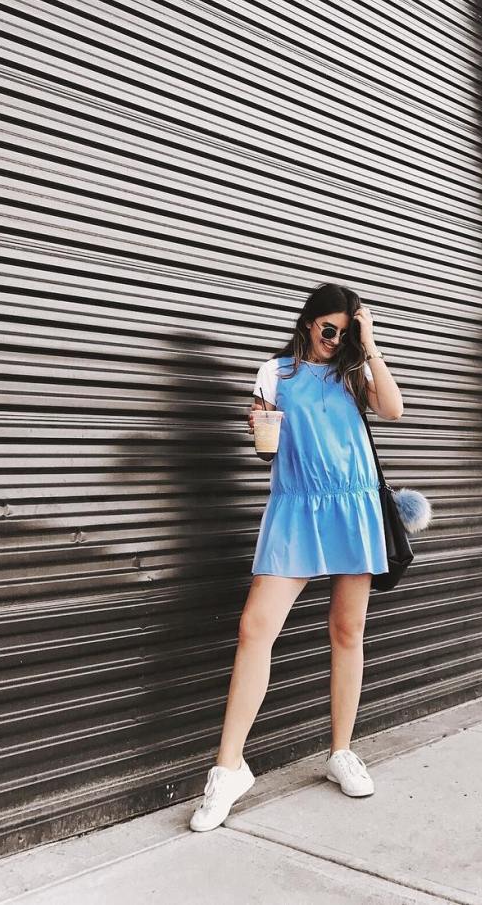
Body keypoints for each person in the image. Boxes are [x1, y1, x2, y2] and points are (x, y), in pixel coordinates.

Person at [190, 283, 404, 832]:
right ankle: (228, 767)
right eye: (328, 328)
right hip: (296, 507)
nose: (335, 339)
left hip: (353, 504)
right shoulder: (274, 373)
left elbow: (394, 410)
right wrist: (257, 424)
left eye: (345, 331)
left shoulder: (355, 371)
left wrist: (370, 343)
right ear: (308, 322)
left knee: (346, 632)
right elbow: (265, 439)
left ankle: (340, 751)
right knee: (254, 628)